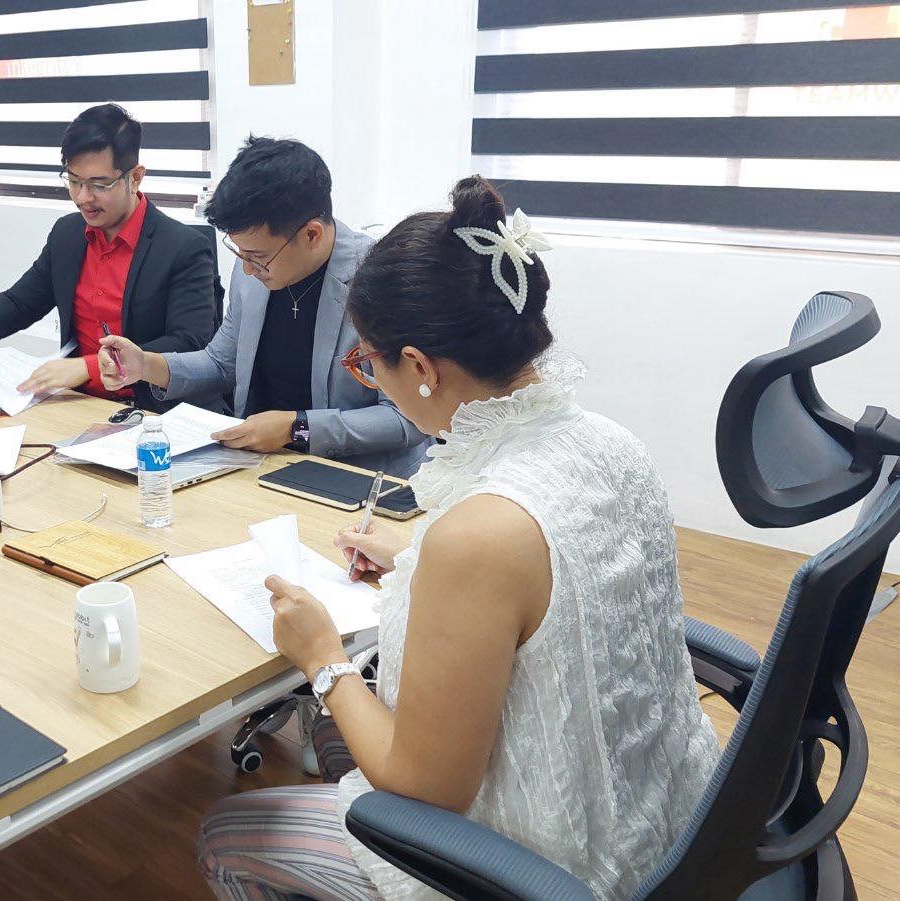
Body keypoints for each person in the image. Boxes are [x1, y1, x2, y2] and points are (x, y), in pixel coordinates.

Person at [196, 177, 720, 900]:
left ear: (418, 366)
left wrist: (320, 656)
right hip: (669, 822)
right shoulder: (610, 442)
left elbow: (427, 785)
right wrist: (416, 562)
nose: (371, 379)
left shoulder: (481, 533)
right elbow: (559, 582)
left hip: (553, 867)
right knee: (333, 735)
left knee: (227, 836)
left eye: (367, 363)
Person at [98, 137, 429, 476]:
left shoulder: (382, 279)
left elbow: (406, 417)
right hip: (261, 466)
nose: (246, 269)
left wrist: (297, 428)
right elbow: (222, 363)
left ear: (312, 235)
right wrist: (145, 365)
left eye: (257, 257)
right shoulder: (256, 268)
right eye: (240, 253)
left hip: (360, 478)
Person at [0, 103, 218, 411]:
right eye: (74, 181)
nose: (83, 198)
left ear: (135, 177)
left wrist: (89, 366)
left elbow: (189, 344)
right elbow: (23, 301)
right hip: (78, 403)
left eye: (99, 185)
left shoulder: (183, 248)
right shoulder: (68, 234)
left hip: (151, 410)